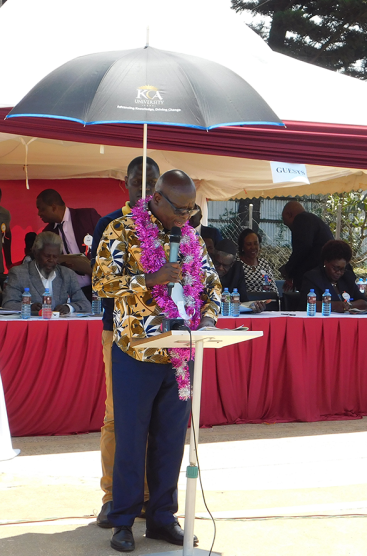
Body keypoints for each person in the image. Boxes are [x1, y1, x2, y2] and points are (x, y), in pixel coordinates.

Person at [93, 169, 221, 552]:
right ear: (157, 198)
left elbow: (210, 283)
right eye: (180, 209)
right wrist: (149, 279)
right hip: (137, 350)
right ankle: (123, 521)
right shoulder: (121, 230)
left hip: (181, 351)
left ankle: (163, 518)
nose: (187, 216)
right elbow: (101, 283)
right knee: (131, 438)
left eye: (191, 209)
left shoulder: (192, 237)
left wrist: (210, 318)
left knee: (169, 441)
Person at [90, 156, 159, 529]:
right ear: (126, 183)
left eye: (151, 184)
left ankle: (149, 496)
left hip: (161, 334)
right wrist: (145, 277)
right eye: (137, 182)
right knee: (117, 416)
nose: (144, 190)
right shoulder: (109, 224)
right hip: (116, 331)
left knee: (154, 419)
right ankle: (113, 495)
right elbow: (102, 282)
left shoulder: (170, 226)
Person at [3, 232, 90, 315]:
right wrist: (30, 307)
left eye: (55, 257)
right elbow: (8, 305)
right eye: (47, 256)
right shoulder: (18, 273)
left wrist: (68, 307)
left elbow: (86, 304)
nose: (51, 260)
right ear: (36, 254)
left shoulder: (67, 274)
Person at [37, 188, 100, 299]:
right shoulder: (48, 233)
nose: (39, 213)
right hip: (74, 292)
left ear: (53, 207)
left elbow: (109, 242)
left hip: (98, 286)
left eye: (41, 209)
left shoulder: (87, 216)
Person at [279, 201, 334, 291]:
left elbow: (302, 248)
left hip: (312, 275)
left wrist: (289, 270)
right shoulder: (315, 221)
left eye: (287, 223)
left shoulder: (301, 219)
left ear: (289, 214)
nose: (290, 228)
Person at [300, 240, 367, 312]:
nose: (339, 272)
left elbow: (364, 303)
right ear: (326, 262)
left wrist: (349, 305)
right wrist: (335, 305)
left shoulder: (347, 277)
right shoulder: (313, 277)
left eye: (342, 269)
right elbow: (308, 304)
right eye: (335, 268)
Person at [213, 239, 267, 313]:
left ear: (232, 264)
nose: (220, 268)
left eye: (225, 266)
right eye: (217, 263)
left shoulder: (237, 269)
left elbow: (243, 300)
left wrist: (253, 308)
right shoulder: (205, 269)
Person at [237, 228, 279, 295]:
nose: (253, 247)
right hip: (246, 303)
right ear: (242, 247)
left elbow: (273, 288)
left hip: (266, 302)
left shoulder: (264, 263)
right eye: (249, 244)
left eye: (256, 243)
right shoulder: (237, 265)